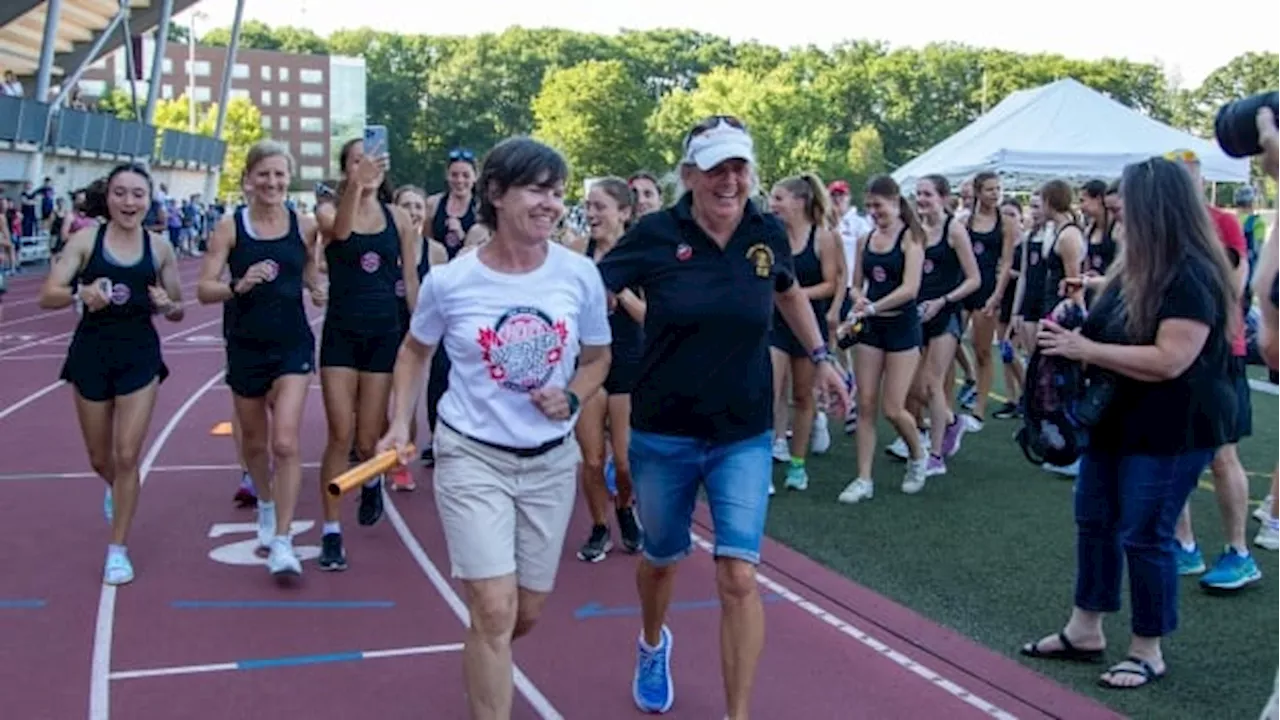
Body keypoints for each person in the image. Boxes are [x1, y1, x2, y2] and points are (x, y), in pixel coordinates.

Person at [596, 116, 849, 718]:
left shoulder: (767, 231)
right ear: (689, 175)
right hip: (663, 430)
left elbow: (787, 290)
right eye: (715, 168)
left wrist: (821, 355)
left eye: (739, 166)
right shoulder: (656, 234)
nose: (729, 180)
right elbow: (593, 289)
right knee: (661, 559)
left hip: (743, 431)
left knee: (738, 574)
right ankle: (652, 643)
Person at [378, 137, 611, 719]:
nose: (551, 204)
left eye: (557, 193)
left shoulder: (578, 275)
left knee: (523, 613)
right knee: (493, 609)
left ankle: (486, 657)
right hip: (472, 456)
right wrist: (396, 424)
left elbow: (599, 358)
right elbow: (412, 352)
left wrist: (574, 397)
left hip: (551, 462)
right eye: (537, 190)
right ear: (496, 194)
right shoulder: (451, 283)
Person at [1022, 156, 1236, 690]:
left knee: (1145, 534)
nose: (1116, 210)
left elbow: (1170, 359)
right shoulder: (1131, 267)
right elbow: (1115, 330)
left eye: (1125, 203)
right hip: (1117, 421)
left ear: (1153, 210)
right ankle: (1085, 629)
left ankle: (1147, 649)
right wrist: (1076, 318)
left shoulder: (1191, 272)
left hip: (1171, 429)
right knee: (1094, 520)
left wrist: (1083, 346)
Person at [39, 163, 185, 585]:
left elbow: (177, 309)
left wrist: (166, 304)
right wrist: (78, 294)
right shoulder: (87, 240)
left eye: (138, 194)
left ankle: (117, 549)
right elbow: (48, 294)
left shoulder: (159, 248)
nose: (129, 202)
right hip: (91, 352)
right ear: (109, 198)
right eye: (121, 193)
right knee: (101, 458)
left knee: (126, 456)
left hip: (139, 354)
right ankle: (119, 488)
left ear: (149, 199)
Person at [197, 140, 325, 578]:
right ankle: (267, 506)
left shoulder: (304, 225)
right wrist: (239, 283)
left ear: (289, 178)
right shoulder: (231, 228)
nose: (272, 182)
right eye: (264, 174)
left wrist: (316, 286)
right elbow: (203, 288)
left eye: (279, 174)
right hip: (245, 344)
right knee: (255, 443)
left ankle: (285, 541)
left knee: (285, 442)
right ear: (249, 179)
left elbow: (308, 271)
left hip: (292, 344)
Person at [313, 137, 419, 570]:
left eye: (371, 160)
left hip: (384, 332)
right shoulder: (328, 211)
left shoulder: (398, 218)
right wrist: (355, 186)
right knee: (340, 433)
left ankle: (372, 481)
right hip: (341, 332)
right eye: (356, 161)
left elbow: (409, 277)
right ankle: (331, 530)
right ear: (345, 169)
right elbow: (340, 232)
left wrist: (420, 330)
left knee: (368, 435)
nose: (366, 166)